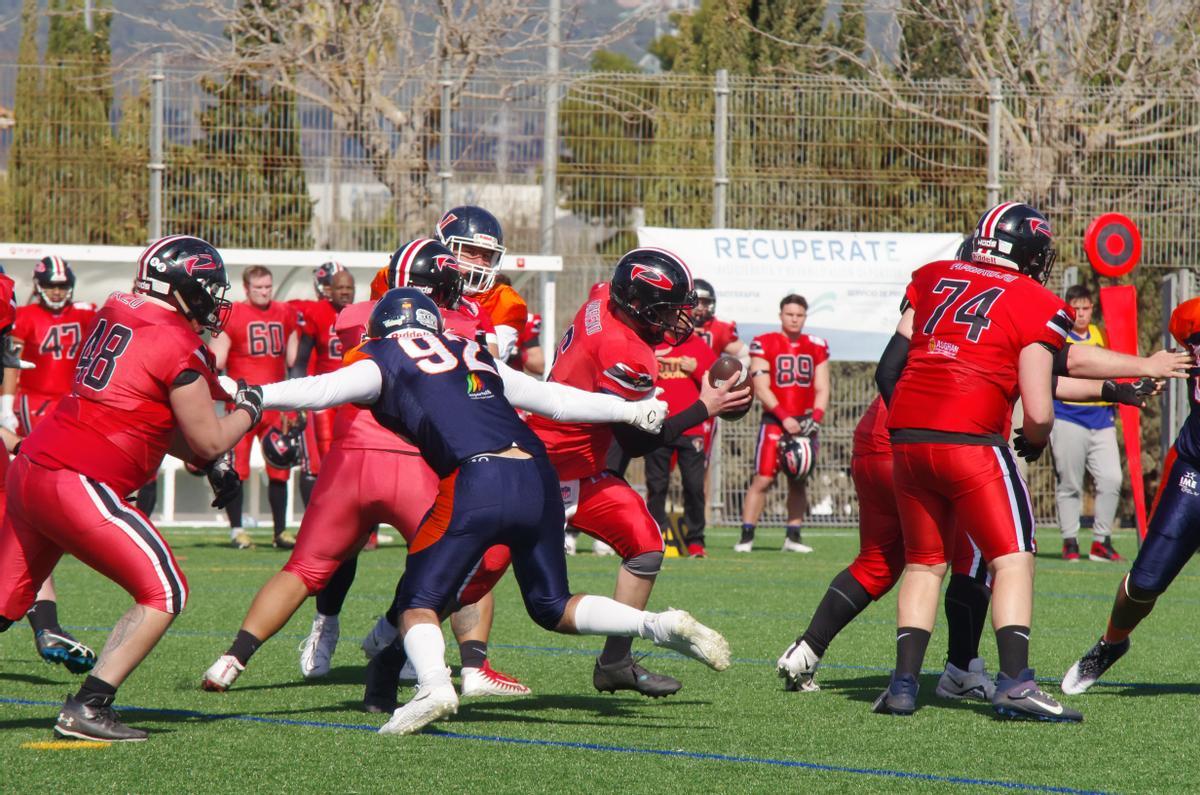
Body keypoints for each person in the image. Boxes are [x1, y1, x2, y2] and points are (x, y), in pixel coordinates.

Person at [235, 287, 730, 736]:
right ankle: (655, 625)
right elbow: (553, 399)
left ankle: (433, 685)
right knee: (552, 607)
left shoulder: (381, 354)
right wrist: (625, 410)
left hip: (477, 477)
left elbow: (320, 390)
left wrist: (258, 395)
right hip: (537, 473)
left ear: (379, 330)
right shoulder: (469, 351)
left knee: (417, 601)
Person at [0, 235, 254, 742]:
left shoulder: (117, 307)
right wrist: (250, 408)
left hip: (31, 467)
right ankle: (90, 706)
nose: (212, 299)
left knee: (2, 602)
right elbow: (206, 438)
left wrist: (211, 461)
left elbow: (141, 411)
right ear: (184, 288)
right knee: (164, 590)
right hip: (79, 479)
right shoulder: (180, 343)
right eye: (206, 288)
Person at [871, 201, 1082, 722]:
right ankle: (1015, 682)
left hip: (907, 437)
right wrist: (1032, 439)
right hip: (971, 442)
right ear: (1030, 254)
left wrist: (915, 427)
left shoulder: (933, 276)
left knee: (924, 563)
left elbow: (887, 369)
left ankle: (902, 687)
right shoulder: (1036, 300)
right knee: (1012, 556)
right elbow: (1038, 410)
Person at [527, 247, 749, 698]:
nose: (675, 321)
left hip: (579, 464)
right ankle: (399, 641)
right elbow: (637, 441)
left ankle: (615, 663)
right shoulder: (624, 352)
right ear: (638, 304)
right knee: (478, 571)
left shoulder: (604, 295)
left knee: (646, 544)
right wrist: (703, 408)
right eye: (667, 311)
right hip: (544, 469)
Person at [1061, 296, 1200, 694]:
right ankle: (1112, 643)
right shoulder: (1191, 318)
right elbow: (1183, 352)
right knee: (1144, 581)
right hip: (1195, 468)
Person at [0, 258, 99, 671]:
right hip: (34, 408)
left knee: (23, 528)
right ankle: (46, 625)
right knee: (22, 529)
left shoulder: (85, 315)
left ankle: (47, 625)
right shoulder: (24, 319)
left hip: (60, 409)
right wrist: (8, 413)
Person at [208, 265, 299, 549]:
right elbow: (217, 360)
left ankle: (280, 532)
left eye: (268, 287)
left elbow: (293, 358)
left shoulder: (285, 312)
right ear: (246, 288)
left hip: (275, 401)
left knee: (280, 465)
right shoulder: (233, 313)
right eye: (258, 287)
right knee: (237, 469)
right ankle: (237, 530)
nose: (264, 292)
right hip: (243, 403)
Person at [737, 294, 830, 553]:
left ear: (805, 317)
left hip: (805, 422)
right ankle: (746, 535)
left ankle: (793, 536)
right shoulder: (765, 342)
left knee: (799, 479)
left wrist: (816, 418)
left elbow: (823, 386)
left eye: (799, 315)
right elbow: (761, 386)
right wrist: (784, 416)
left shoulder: (817, 345)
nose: (794, 319)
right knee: (764, 478)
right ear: (780, 315)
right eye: (790, 314)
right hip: (776, 421)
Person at [1051, 284, 1123, 562]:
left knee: (1112, 478)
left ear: (1092, 308)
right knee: (1069, 483)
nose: (1081, 314)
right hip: (1069, 416)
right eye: (1076, 308)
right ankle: (1070, 541)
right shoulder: (1060, 338)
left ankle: (1101, 541)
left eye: (1085, 308)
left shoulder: (1102, 335)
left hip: (1102, 419)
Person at [646, 330, 717, 557]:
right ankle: (656, 536)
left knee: (694, 486)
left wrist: (696, 369)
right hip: (658, 425)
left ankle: (696, 541)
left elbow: (717, 384)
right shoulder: (650, 341)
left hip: (692, 427)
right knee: (657, 486)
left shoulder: (698, 345)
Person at [290, 263, 355, 506]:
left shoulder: (364, 313)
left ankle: (368, 533)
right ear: (330, 290)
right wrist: (296, 398)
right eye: (340, 287)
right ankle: (318, 518)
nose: (345, 292)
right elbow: (301, 360)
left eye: (349, 287)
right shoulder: (316, 313)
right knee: (324, 459)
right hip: (325, 396)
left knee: (360, 458)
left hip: (355, 397)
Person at [436, 206, 525, 360]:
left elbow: (490, 360)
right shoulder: (410, 276)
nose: (479, 263)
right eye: (470, 252)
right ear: (443, 250)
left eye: (486, 255)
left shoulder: (503, 299)